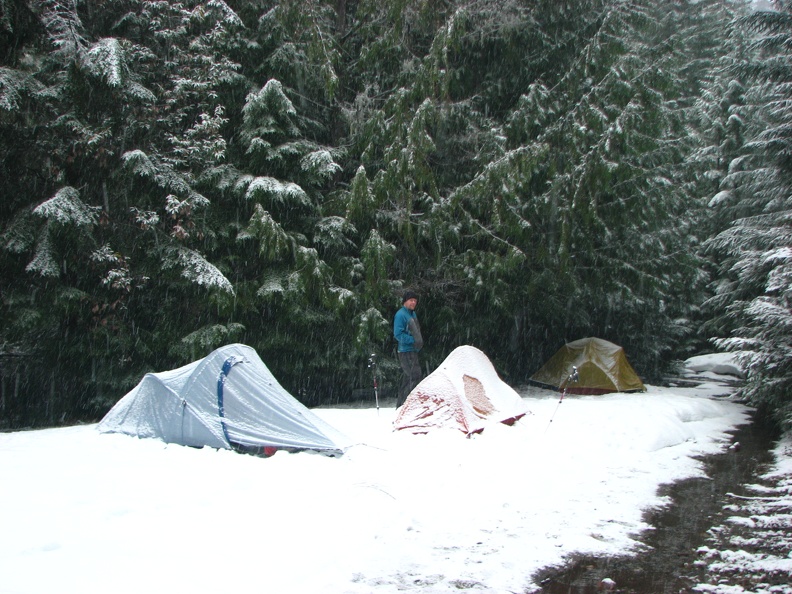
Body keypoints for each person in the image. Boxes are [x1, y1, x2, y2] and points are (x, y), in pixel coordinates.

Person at [393, 289, 423, 408]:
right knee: (414, 376)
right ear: (405, 301)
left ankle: (402, 405)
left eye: (415, 301)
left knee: (409, 378)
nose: (413, 303)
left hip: (413, 351)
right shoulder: (401, 315)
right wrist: (413, 341)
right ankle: (406, 406)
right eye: (411, 300)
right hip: (405, 351)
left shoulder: (412, 314)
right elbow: (398, 334)